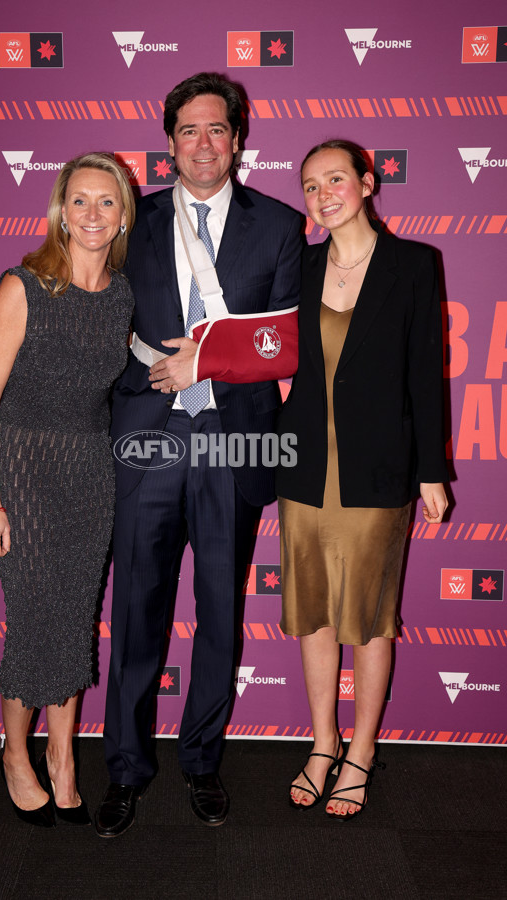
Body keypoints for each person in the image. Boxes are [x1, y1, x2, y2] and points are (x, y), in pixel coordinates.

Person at [95, 72, 303, 837]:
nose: (204, 144)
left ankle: (203, 760)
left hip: (235, 443)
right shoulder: (131, 222)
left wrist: (206, 363)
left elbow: (285, 347)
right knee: (136, 612)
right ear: (169, 141)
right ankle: (124, 766)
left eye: (218, 129)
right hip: (144, 440)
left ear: (239, 138)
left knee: (220, 613)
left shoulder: (280, 226)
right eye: (188, 130)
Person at [275, 139, 449, 820]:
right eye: (311, 186)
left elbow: (425, 374)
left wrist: (431, 471)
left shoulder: (412, 265)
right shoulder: (303, 264)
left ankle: (363, 750)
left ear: (368, 183)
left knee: (371, 622)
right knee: (313, 615)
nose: (323, 195)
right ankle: (323, 743)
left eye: (336, 179)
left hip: (379, 470)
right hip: (305, 469)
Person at [0, 152, 135, 827]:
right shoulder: (25, 284)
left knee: (74, 621)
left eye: (106, 202)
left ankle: (63, 760)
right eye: (80, 201)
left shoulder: (122, 293)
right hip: (25, 471)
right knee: (36, 623)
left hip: (92, 473)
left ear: (122, 213)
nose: (92, 214)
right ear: (59, 211)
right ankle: (16, 754)